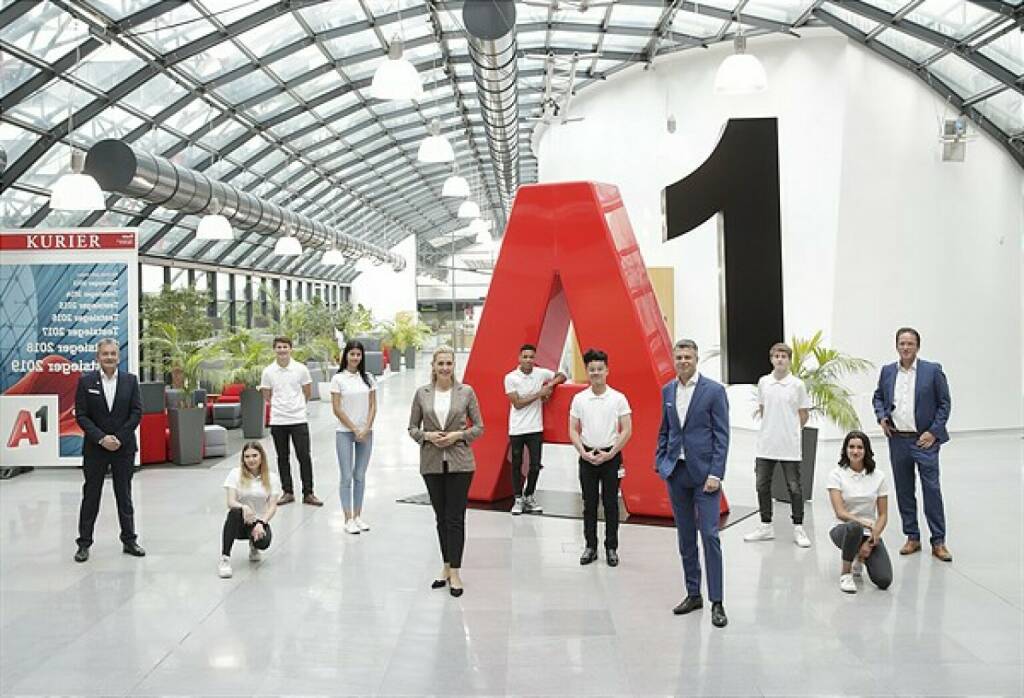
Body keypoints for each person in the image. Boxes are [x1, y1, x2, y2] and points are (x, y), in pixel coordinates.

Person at [655, 339, 729, 628]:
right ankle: (693, 593)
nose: (683, 361)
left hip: (705, 476)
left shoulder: (713, 391)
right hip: (677, 472)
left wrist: (716, 474)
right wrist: (662, 461)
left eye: (688, 356)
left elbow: (722, 436)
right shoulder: (668, 391)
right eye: (679, 356)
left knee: (709, 536)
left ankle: (718, 602)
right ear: (674, 359)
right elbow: (666, 429)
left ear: (697, 359)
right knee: (685, 537)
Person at [408, 346, 484, 597]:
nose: (444, 368)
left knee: (455, 518)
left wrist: (457, 435)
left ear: (454, 366)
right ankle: (446, 566)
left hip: (460, 463)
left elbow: (479, 428)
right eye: (440, 363)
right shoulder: (422, 393)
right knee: (441, 518)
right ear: (433, 365)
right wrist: (427, 436)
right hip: (431, 462)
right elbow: (412, 428)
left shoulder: (466, 392)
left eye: (448, 364)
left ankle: (456, 572)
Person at [871, 327, 952, 562]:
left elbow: (944, 404)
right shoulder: (888, 371)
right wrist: (882, 417)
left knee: (932, 491)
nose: (906, 347)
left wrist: (934, 432)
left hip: (924, 441)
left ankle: (938, 541)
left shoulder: (932, 371)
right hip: (898, 440)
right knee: (904, 491)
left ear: (918, 346)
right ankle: (912, 537)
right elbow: (878, 397)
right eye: (902, 343)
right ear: (896, 345)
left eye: (910, 343)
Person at [73, 338, 144, 562]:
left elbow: (136, 412)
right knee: (91, 496)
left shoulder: (131, 381)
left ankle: (129, 540)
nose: (110, 357)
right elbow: (82, 415)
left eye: (113, 353)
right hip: (96, 448)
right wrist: (102, 438)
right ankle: (84, 543)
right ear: (98, 357)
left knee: (124, 495)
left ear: (118, 356)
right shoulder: (86, 382)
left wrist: (119, 438)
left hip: (123, 448)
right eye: (105, 354)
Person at [744, 342, 812, 547]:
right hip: (766, 445)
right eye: (776, 356)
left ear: (789, 360)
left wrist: (790, 431)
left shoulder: (797, 385)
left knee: (795, 487)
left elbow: (803, 414)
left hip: (789, 446)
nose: (780, 359)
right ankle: (765, 525)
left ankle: (799, 528)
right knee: (762, 485)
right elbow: (763, 409)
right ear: (771, 359)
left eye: (784, 356)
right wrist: (771, 430)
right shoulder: (764, 382)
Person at [568, 348, 632, 568]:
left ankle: (611, 547)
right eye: (591, 369)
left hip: (611, 456)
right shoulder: (579, 399)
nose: (596, 372)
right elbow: (573, 429)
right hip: (587, 455)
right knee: (589, 504)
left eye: (600, 369)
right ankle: (590, 546)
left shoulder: (618, 398)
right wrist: (582, 452)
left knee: (611, 503)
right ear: (587, 371)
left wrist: (611, 453)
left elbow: (627, 429)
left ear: (607, 370)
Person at [826, 431, 893, 593]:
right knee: (854, 527)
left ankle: (859, 558)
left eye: (860, 447)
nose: (855, 451)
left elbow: (883, 514)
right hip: (843, 530)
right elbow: (840, 513)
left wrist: (871, 541)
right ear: (845, 449)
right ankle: (846, 573)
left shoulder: (879, 476)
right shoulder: (836, 475)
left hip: (869, 533)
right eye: (851, 447)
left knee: (884, 580)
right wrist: (865, 523)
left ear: (866, 450)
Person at [260, 336, 323, 506]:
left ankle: (308, 493)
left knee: (304, 456)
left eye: (285, 347)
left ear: (290, 349)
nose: (282, 350)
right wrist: (279, 405)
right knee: (282, 457)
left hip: (298, 419)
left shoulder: (300, 369)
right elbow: (266, 394)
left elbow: (307, 392)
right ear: (274, 350)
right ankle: (287, 492)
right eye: (279, 347)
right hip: (278, 420)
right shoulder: (268, 372)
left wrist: (297, 406)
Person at [504, 343, 566, 515]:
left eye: (531, 357)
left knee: (535, 465)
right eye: (525, 357)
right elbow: (517, 404)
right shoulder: (510, 378)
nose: (528, 360)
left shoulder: (541, 373)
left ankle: (529, 496)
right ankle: (517, 499)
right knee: (516, 464)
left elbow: (562, 375)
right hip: (517, 428)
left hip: (535, 428)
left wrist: (550, 386)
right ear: (519, 358)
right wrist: (540, 393)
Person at [331, 340, 377, 534]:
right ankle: (347, 518)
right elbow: (337, 408)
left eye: (358, 354)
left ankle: (358, 516)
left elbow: (373, 405)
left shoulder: (368, 378)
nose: (355, 358)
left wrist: (366, 428)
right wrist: (353, 428)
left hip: (366, 432)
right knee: (347, 476)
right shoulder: (338, 379)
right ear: (346, 355)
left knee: (360, 475)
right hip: (344, 432)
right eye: (352, 354)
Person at [219, 442, 281, 579]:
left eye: (254, 456)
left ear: (261, 457)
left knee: (263, 543)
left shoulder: (272, 478)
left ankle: (254, 546)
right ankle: (225, 559)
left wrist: (262, 523)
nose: (251, 460)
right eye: (247, 457)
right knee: (234, 512)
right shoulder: (235, 474)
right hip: (240, 520)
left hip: (258, 522)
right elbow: (230, 502)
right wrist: (244, 507)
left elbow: (272, 506)